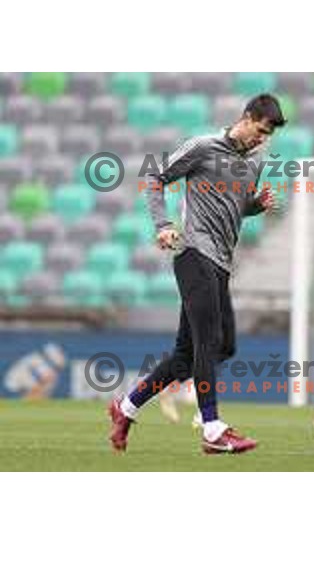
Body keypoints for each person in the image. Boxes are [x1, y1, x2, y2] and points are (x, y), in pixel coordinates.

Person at [108, 93, 286, 454]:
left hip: (220, 261)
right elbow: (155, 179)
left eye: (268, 136)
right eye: (261, 130)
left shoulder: (254, 162)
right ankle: (212, 429)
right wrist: (162, 224)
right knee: (210, 341)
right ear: (247, 117)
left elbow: (236, 207)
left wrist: (257, 205)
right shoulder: (203, 147)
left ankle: (125, 408)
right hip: (193, 253)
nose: (262, 139)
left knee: (195, 354)